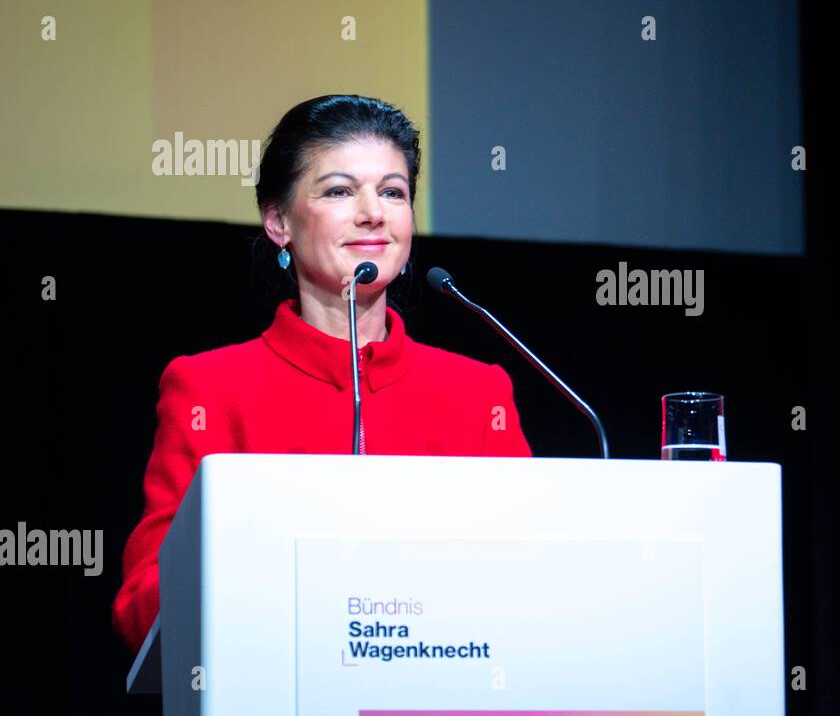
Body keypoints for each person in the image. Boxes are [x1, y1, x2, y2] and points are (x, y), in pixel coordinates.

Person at [112, 95, 531, 653]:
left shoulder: (480, 392)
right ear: (279, 221)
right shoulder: (210, 387)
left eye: (393, 192)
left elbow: (531, 577)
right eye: (338, 190)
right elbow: (144, 607)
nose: (373, 213)